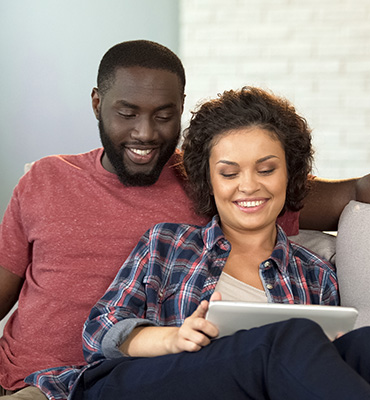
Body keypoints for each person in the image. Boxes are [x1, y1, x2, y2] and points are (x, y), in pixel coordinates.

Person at [0, 40, 370, 398]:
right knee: (287, 339)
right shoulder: (166, 241)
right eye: (127, 113)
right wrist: (173, 337)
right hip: (74, 382)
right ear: (98, 103)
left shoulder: (312, 269)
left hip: (248, 382)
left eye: (163, 116)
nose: (248, 186)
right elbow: (103, 326)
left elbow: (349, 192)